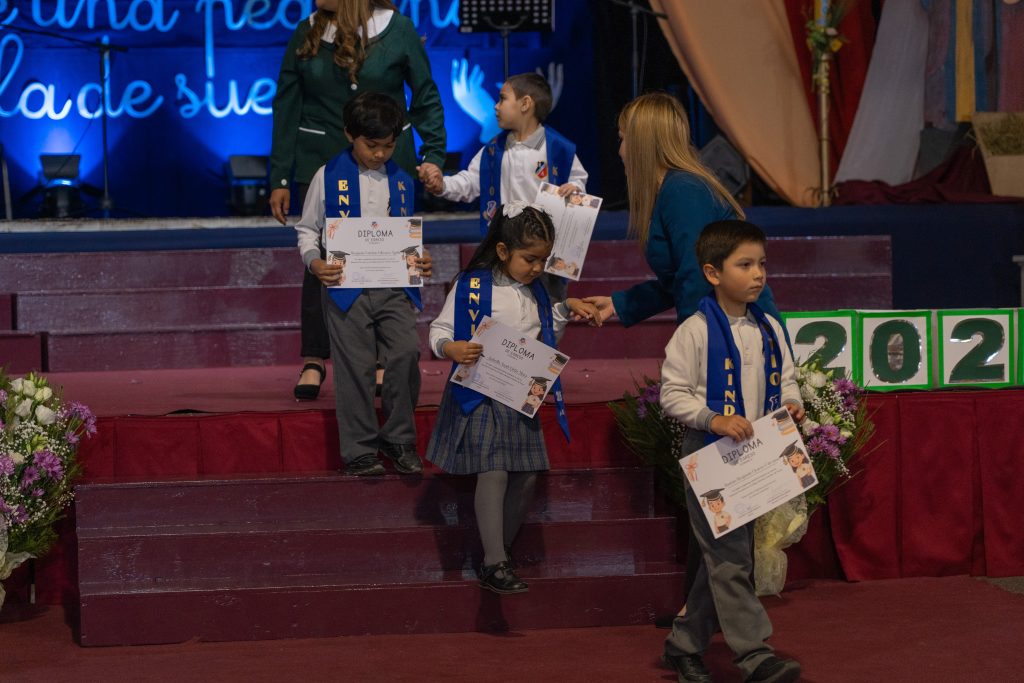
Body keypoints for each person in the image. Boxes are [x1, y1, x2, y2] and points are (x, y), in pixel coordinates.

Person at [270, 0, 446, 400]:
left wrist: (433, 153)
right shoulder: (308, 29)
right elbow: (287, 103)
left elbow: (425, 94)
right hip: (321, 158)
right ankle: (315, 357)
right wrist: (279, 174)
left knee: (385, 254)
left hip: (388, 162)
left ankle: (383, 356)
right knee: (321, 259)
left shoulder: (397, 28)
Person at [426, 202, 598, 594]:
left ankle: (499, 552)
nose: (537, 267)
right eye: (529, 259)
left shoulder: (537, 290)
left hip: (519, 394)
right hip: (479, 393)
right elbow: (439, 329)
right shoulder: (472, 285)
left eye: (543, 260)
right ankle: (495, 562)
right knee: (494, 469)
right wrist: (450, 348)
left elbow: (544, 335)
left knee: (526, 473)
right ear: (503, 251)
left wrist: (565, 310)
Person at [659, 219, 804, 683]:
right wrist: (712, 418)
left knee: (723, 558)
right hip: (710, 453)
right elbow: (672, 393)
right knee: (730, 558)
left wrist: (792, 404)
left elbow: (788, 379)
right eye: (745, 265)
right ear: (713, 272)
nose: (758, 274)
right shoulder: (695, 330)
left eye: (762, 264)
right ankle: (755, 656)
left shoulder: (769, 328)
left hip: (757, 454)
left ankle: (684, 644)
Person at [294, 92, 428, 476]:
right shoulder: (327, 175)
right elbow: (307, 229)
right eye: (371, 145)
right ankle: (359, 449)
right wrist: (314, 261)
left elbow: (403, 234)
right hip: (345, 286)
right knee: (355, 367)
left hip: (393, 286)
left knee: (405, 353)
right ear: (349, 134)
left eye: (389, 146)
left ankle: (398, 438)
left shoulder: (401, 180)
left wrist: (420, 258)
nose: (380, 154)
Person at [581, 92, 781, 327]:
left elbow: (696, 274)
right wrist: (619, 304)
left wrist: (691, 337)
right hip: (725, 322)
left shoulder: (682, 190)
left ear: (641, 143)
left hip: (738, 329)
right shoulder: (675, 188)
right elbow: (678, 280)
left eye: (622, 139)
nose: (620, 151)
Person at [420, 73, 588, 236]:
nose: (496, 106)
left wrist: (575, 187)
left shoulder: (558, 148)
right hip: (505, 241)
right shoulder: (493, 150)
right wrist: (443, 185)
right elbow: (470, 181)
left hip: (545, 241)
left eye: (502, 99)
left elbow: (578, 179)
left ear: (525, 104)